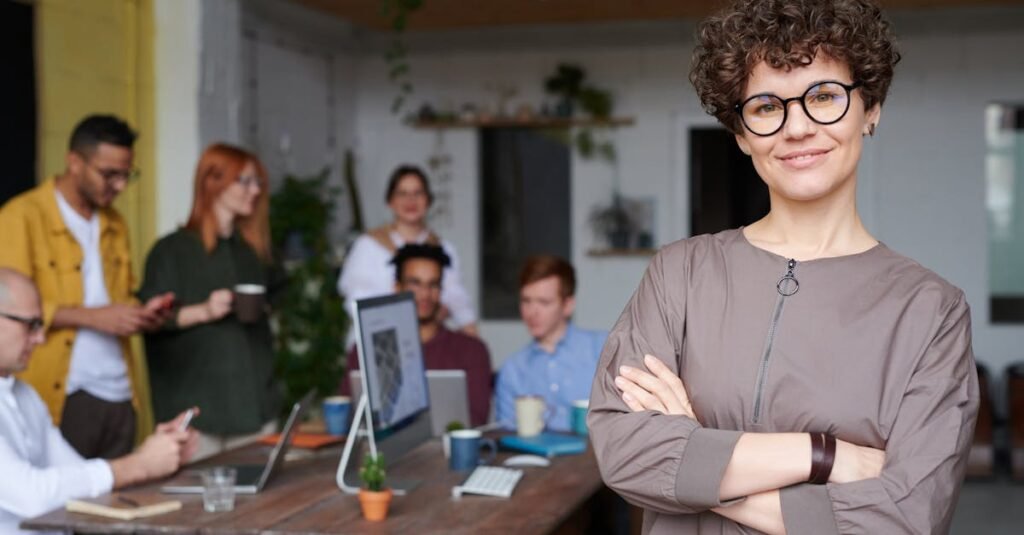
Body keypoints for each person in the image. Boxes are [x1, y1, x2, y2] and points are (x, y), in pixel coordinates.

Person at [588, 1, 979, 534]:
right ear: (743, 134)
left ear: (871, 109)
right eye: (767, 106)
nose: (796, 128)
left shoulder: (931, 310)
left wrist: (695, 462)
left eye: (823, 97)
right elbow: (625, 453)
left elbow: (905, 519)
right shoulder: (679, 274)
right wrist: (824, 455)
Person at [0, 115, 175, 459]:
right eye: (110, 174)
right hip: (63, 394)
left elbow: (118, 298)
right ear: (74, 162)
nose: (121, 186)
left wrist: (140, 315)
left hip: (121, 392)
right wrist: (94, 318)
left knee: (119, 502)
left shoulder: (116, 223)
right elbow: (10, 310)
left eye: (127, 175)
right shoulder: (21, 217)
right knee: (66, 506)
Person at [0, 268, 197, 534]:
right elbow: (31, 495)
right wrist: (138, 466)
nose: (41, 337)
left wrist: (153, 456)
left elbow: (81, 475)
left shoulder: (25, 396)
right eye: (31, 325)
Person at [138, 143, 282, 460]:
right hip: (198, 415)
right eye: (244, 181)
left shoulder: (253, 251)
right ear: (212, 182)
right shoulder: (171, 250)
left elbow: (276, 298)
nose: (255, 190)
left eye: (257, 181)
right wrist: (204, 310)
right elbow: (149, 319)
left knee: (264, 505)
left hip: (256, 407)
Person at [343, 244, 493, 427]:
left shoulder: (471, 350)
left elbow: (476, 420)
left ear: (441, 290)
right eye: (415, 283)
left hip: (445, 452)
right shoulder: (365, 350)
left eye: (433, 285)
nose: (424, 294)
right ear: (397, 288)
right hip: (383, 452)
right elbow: (346, 418)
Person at [338, 165, 477, 336]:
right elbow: (356, 299)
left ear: (428, 200)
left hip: (427, 341)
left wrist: (470, 332)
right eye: (402, 194)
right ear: (390, 201)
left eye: (417, 193)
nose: (411, 201)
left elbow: (456, 300)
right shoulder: (368, 245)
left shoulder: (442, 249)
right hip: (376, 337)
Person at [495, 256, 607, 432]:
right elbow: (507, 435)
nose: (532, 312)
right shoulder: (513, 369)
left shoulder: (602, 348)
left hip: (599, 457)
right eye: (526, 301)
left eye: (544, 302)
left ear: (568, 305)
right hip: (535, 458)